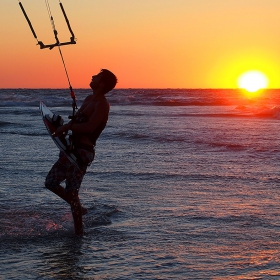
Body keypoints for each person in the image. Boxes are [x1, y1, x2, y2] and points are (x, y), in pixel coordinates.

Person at [45, 69, 117, 235]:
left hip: (82, 153)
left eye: (97, 76)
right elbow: (77, 121)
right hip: (71, 149)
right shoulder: (88, 99)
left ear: (102, 84)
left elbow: (90, 127)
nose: (92, 76)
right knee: (50, 182)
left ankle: (79, 233)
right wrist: (60, 125)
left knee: (72, 192)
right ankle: (78, 207)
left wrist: (67, 127)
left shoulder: (102, 105)